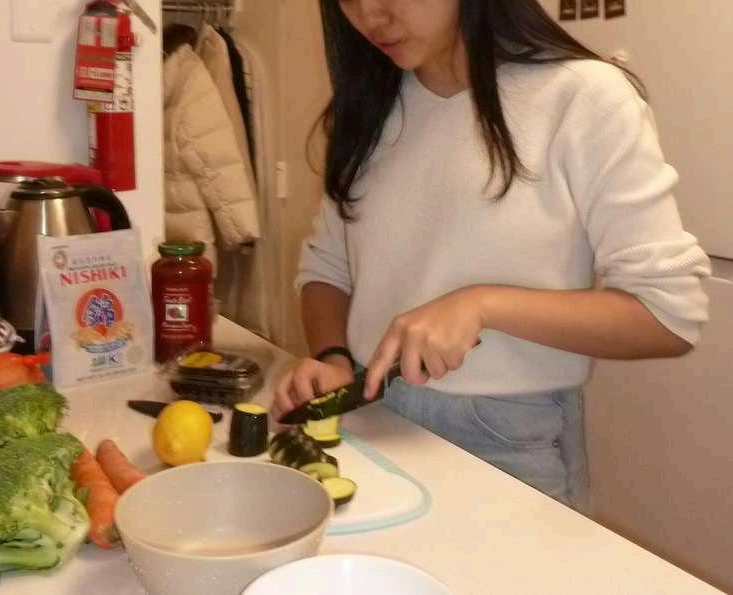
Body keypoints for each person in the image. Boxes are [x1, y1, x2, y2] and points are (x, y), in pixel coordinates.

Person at [272, 0, 711, 511]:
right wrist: (332, 359)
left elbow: (668, 315)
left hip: (506, 439)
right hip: (369, 420)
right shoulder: (368, 110)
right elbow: (326, 269)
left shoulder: (583, 96)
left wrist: (483, 305)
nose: (371, 15)